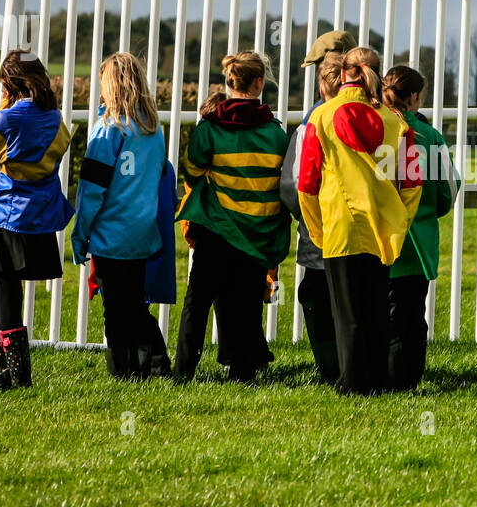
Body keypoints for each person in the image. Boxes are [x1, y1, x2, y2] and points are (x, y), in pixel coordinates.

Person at [297, 47, 423, 395]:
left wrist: (317, 229)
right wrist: (400, 222)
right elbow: (413, 183)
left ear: (344, 73)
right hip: (382, 228)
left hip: (340, 225)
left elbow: (307, 183)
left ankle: (352, 383)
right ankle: (378, 380)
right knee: (377, 308)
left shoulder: (322, 117)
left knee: (346, 311)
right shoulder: (396, 121)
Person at [174, 52, 290, 382]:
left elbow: (192, 171)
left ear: (229, 81)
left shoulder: (210, 129)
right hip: (257, 232)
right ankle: (243, 371)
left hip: (217, 229)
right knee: (247, 304)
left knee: (197, 302)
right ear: (258, 83)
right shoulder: (276, 135)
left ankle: (183, 372)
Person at [0, 50, 74, 391]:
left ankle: (3, 372)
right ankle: (13, 373)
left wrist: (1, 111)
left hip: (4, 214)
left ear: (7, 83)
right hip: (37, 215)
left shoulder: (7, 119)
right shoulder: (56, 119)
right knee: (5, 287)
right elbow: (55, 154)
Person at [72, 52, 170, 379]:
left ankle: (124, 372)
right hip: (143, 234)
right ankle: (154, 364)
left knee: (114, 308)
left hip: (111, 236)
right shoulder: (154, 130)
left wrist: (79, 233)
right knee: (135, 304)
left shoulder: (107, 130)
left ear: (110, 87)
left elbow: (92, 190)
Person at [382, 65, 458, 390]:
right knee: (412, 316)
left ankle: (377, 375)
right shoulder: (432, 137)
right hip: (417, 242)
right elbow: (447, 192)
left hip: (377, 239)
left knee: (376, 313)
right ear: (414, 97)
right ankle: (406, 380)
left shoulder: (377, 131)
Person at [280, 47, 346, 384]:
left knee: (317, 298)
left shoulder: (312, 124)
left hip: (319, 230)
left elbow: (292, 185)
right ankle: (354, 365)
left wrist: (304, 217)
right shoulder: (374, 117)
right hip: (362, 233)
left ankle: (331, 367)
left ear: (322, 87)